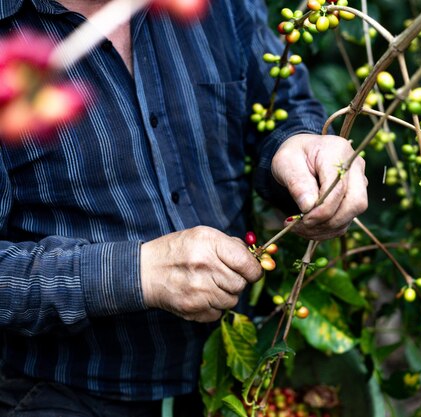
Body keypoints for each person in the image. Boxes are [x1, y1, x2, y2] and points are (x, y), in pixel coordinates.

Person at [0, 0, 368, 415]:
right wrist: (139, 273)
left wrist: (298, 147)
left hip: (229, 376)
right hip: (63, 389)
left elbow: (283, 104)